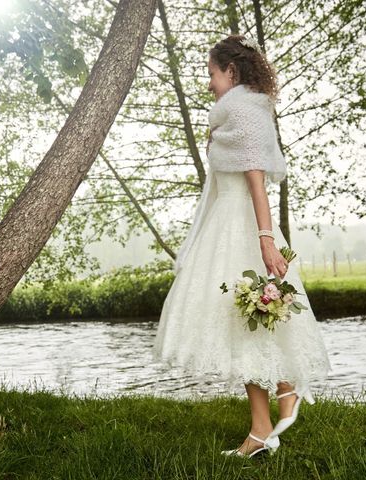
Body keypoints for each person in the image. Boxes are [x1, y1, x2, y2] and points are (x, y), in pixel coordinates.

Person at [153, 35, 331, 458]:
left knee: (246, 316)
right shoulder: (235, 113)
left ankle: (269, 415)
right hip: (226, 224)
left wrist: (266, 241)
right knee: (242, 320)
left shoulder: (243, 112)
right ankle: (277, 402)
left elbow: (256, 180)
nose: (209, 82)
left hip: (243, 227)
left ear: (231, 72)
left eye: (212, 73)